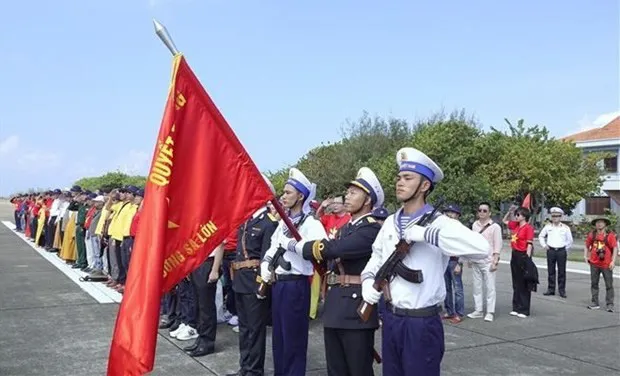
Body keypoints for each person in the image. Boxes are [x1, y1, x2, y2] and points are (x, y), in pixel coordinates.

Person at [360, 147, 489, 376]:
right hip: (391, 319)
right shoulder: (390, 221)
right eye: (399, 177)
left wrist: (426, 234)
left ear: (425, 185)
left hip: (421, 323)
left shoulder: (439, 223)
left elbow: (482, 249)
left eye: (408, 178)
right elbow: (377, 257)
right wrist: (368, 281)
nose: (400, 182)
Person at [288, 167, 384, 376]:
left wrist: (300, 247)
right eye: (347, 192)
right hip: (336, 305)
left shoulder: (371, 229)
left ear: (367, 200)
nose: (347, 197)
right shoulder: (345, 229)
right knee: (336, 369)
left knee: (358, 369)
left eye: (353, 193)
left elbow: (335, 249)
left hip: (356, 307)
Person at [260, 168, 327, 376]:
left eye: (288, 192)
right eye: (284, 192)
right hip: (279, 283)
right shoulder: (283, 223)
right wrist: (266, 264)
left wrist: (291, 245)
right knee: (279, 339)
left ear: (301, 195)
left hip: (296, 285)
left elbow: (320, 250)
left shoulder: (311, 223)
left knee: (294, 341)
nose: (284, 196)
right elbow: (272, 247)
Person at [226, 175, 279, 376]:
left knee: (255, 330)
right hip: (240, 280)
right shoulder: (246, 220)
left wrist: (261, 285)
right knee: (245, 328)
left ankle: (254, 371)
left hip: (255, 282)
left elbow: (268, 258)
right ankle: (245, 367)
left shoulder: (268, 223)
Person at [467, 202, 502, 322]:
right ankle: (478, 310)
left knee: (490, 287)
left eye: (484, 211)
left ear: (490, 213)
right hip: (476, 259)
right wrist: (470, 258)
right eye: (480, 210)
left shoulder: (495, 227)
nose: (482, 212)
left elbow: (497, 245)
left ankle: (490, 311)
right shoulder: (474, 225)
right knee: (477, 287)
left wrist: (495, 261)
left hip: (488, 261)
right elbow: (472, 242)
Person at [503, 205, 535, 318]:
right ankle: (516, 307)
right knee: (516, 282)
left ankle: (524, 309)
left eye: (518, 214)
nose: (516, 216)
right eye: (516, 214)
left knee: (524, 283)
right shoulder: (515, 226)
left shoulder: (528, 228)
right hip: (514, 254)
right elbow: (504, 221)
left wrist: (527, 258)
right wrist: (509, 211)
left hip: (523, 255)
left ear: (524, 216)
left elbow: (529, 244)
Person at [539, 207, 573, 298]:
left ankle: (562, 290)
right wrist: (544, 245)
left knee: (562, 271)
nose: (555, 218)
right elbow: (541, 236)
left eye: (557, 216)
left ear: (561, 217)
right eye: (553, 216)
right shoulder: (548, 227)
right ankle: (551, 289)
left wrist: (564, 248)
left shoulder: (566, 228)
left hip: (561, 251)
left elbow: (570, 240)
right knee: (551, 271)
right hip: (551, 250)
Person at [584, 217, 617, 312]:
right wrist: (585, 256)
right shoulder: (592, 235)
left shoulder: (610, 236)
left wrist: (613, 261)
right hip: (594, 263)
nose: (599, 224)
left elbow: (614, 248)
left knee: (609, 285)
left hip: (606, 264)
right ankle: (595, 302)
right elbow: (586, 245)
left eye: (601, 223)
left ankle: (610, 304)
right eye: (597, 223)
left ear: (605, 225)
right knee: (594, 283)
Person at [442, 204, 465, 324]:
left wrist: (459, 263)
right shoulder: (444, 228)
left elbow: (463, 247)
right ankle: (449, 311)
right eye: (447, 212)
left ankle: (459, 313)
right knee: (446, 288)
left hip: (455, 260)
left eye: (452, 212)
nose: (449, 215)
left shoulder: (460, 229)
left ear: (458, 215)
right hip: (445, 259)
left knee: (457, 288)